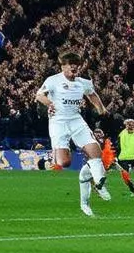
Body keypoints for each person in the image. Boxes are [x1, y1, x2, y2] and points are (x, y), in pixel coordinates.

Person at [34, 50, 111, 217]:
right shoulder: (53, 80)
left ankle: (98, 184)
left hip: (76, 120)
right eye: (71, 66)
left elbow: (92, 95)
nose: (74, 68)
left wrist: (101, 108)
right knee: (64, 162)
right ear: (63, 67)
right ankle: (77, 170)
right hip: (58, 122)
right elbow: (39, 95)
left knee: (95, 152)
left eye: (76, 66)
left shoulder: (83, 82)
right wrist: (50, 104)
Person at [116, 118, 134, 194]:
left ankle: (133, 187)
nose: (130, 125)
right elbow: (118, 145)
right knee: (125, 174)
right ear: (125, 125)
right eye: (128, 124)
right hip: (124, 157)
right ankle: (132, 188)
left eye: (131, 124)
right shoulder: (122, 134)